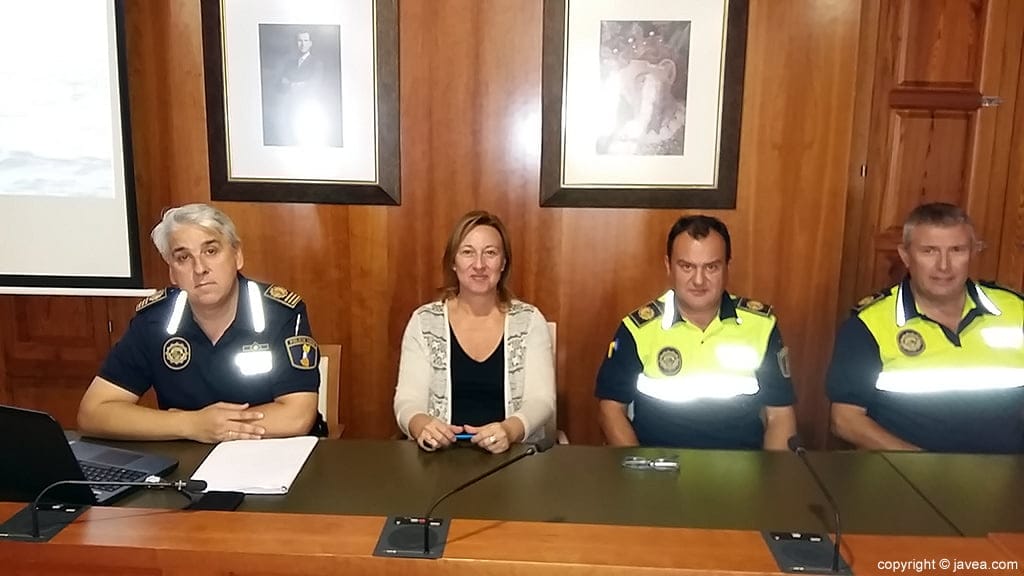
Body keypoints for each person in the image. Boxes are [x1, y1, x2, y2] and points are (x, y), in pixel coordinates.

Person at [77, 204, 325, 443]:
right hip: (189, 458)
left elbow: (297, 416)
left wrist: (218, 428)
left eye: (211, 251)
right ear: (172, 272)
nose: (200, 268)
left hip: (270, 454)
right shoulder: (155, 320)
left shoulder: (280, 312)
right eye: (183, 257)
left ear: (237, 255)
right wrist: (192, 424)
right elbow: (93, 412)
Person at [827, 202, 1024, 453]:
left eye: (957, 250)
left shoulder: (1016, 311)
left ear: (973, 252)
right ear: (906, 255)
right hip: (907, 480)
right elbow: (845, 421)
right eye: (929, 251)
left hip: (1007, 479)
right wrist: (923, 466)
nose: (944, 266)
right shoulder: (869, 324)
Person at [595, 215, 797, 449]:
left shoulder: (761, 326)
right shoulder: (638, 329)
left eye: (711, 267)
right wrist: (641, 470)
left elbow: (780, 416)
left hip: (741, 472)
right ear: (669, 266)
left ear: (727, 267)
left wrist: (773, 482)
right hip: (661, 470)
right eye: (687, 267)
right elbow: (610, 410)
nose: (699, 280)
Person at [394, 211, 555, 454]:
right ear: (453, 261)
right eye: (467, 252)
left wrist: (509, 431)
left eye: (490, 253)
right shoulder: (424, 321)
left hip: (513, 457)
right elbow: (407, 400)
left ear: (503, 263)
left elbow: (542, 401)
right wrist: (421, 426)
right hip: (439, 458)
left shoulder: (530, 321)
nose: (479, 264)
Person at [597, 21, 689, 156]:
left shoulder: (693, 126)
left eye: (642, 81)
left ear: (669, 72)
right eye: (625, 90)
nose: (634, 98)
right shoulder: (621, 141)